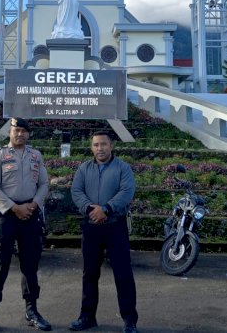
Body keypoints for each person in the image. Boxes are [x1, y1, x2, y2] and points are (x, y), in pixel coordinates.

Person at [0, 117, 52, 333]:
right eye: (16, 130)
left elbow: (44, 183)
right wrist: (14, 207)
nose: (20, 134)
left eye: (24, 131)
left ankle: (32, 310)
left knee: (30, 264)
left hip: (30, 215)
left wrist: (34, 204)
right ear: (10, 132)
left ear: (29, 134)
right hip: (6, 217)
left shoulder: (35, 156)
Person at [69, 131, 138, 333]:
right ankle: (87, 317)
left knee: (123, 274)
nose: (100, 148)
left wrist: (106, 209)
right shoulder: (83, 169)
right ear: (92, 147)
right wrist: (92, 209)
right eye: (96, 145)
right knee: (89, 273)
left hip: (115, 226)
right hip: (91, 227)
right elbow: (76, 191)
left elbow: (127, 192)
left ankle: (129, 320)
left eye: (104, 144)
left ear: (111, 146)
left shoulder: (123, 168)